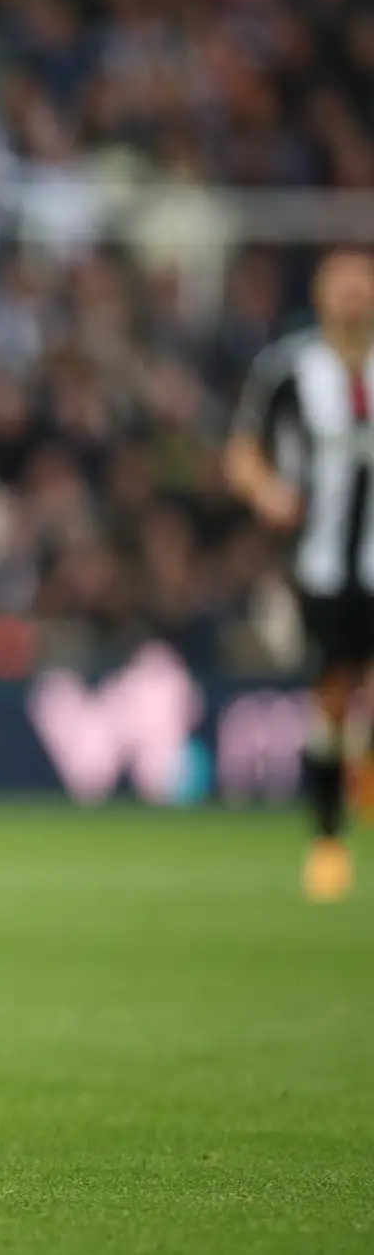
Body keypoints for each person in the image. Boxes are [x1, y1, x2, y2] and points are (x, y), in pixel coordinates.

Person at [224, 246, 374, 904]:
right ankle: (327, 839)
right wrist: (267, 493)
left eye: (362, 284)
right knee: (333, 697)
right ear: (319, 295)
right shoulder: (289, 368)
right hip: (323, 564)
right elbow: (242, 451)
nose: (353, 296)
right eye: (341, 284)